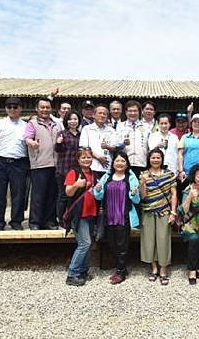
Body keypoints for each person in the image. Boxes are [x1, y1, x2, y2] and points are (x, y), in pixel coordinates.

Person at [93, 151, 141, 284]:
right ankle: (121, 267)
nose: (120, 163)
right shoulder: (106, 177)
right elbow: (98, 196)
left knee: (122, 245)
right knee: (112, 243)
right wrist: (97, 189)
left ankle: (120, 272)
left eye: (122, 161)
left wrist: (134, 193)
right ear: (113, 163)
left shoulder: (131, 177)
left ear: (127, 164)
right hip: (109, 216)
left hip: (123, 216)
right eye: (117, 161)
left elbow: (136, 200)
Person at [0, 97, 29, 231]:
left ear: (20, 108)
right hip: (0, 161)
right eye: (9, 107)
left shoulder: (26, 126)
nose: (12, 109)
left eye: (15, 107)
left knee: (19, 193)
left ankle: (16, 221)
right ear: (6, 109)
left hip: (19, 162)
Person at [139, 149, 178, 286]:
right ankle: (154, 269)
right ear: (149, 159)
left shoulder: (169, 175)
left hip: (164, 211)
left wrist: (173, 212)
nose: (155, 160)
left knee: (163, 240)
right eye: (153, 157)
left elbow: (173, 194)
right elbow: (142, 196)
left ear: (162, 159)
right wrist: (143, 183)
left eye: (158, 157)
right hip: (148, 211)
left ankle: (163, 270)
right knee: (149, 241)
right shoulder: (143, 174)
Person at [25, 97, 62, 230]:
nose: (45, 110)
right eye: (42, 107)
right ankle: (35, 222)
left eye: (47, 107)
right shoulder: (32, 123)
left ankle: (50, 221)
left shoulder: (57, 124)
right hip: (39, 164)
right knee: (38, 195)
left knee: (52, 194)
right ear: (37, 109)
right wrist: (31, 142)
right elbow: (27, 138)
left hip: (56, 164)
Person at [65, 148, 98, 286]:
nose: (86, 160)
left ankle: (82, 270)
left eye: (89, 157)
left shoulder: (94, 174)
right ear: (78, 160)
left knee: (88, 244)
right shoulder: (74, 172)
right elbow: (68, 193)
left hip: (91, 213)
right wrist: (76, 185)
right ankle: (72, 273)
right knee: (85, 243)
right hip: (79, 214)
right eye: (83, 158)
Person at [179, 164, 199, 285]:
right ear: (194, 177)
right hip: (191, 223)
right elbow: (184, 210)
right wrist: (190, 198)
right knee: (194, 243)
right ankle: (192, 270)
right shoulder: (189, 189)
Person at [55, 111, 82, 227]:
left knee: (75, 195)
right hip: (64, 169)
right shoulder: (62, 134)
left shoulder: (81, 134)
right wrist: (58, 143)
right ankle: (61, 219)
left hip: (76, 170)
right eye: (70, 119)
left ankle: (71, 218)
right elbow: (58, 149)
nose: (73, 121)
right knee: (63, 196)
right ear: (66, 121)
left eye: (75, 119)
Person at [79, 105, 117, 178]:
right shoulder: (87, 129)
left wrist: (108, 147)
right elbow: (84, 148)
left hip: (107, 167)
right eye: (100, 113)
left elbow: (114, 147)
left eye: (104, 114)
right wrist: (98, 157)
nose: (102, 115)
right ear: (94, 115)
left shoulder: (111, 130)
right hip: (91, 166)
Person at [116, 100, 149, 178]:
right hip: (125, 163)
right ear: (126, 112)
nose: (132, 113)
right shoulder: (120, 126)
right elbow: (116, 144)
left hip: (142, 162)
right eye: (130, 111)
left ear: (139, 112)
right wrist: (123, 143)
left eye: (135, 111)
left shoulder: (146, 126)